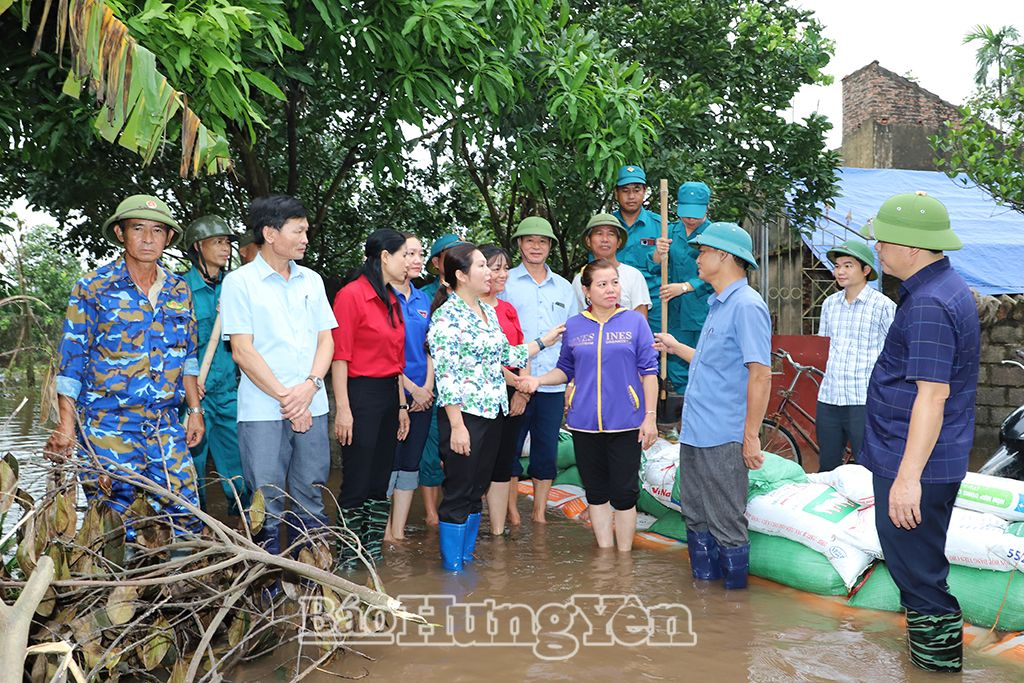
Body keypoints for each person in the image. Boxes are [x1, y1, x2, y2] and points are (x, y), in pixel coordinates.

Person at [858, 192, 979, 673]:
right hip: (924, 456)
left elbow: (932, 396)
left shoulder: (929, 302)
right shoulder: (944, 287)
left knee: (919, 578)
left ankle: (937, 669)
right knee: (920, 570)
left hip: (915, 463)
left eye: (884, 241)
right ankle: (931, 664)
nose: (878, 250)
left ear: (911, 246)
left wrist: (907, 478)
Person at [45, 194, 204, 540]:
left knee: (187, 515)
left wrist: (194, 410)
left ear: (168, 238)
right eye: (138, 229)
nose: (148, 239)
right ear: (120, 233)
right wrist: (66, 426)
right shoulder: (93, 288)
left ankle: (183, 587)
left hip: (165, 426)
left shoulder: (179, 290)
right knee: (115, 525)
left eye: (158, 230)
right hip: (108, 428)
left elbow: (188, 355)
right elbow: (72, 359)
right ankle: (119, 591)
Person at [428, 243, 563, 571]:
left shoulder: (486, 312)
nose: (490, 273)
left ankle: (465, 560)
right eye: (481, 267)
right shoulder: (447, 316)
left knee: (476, 489)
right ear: (461, 275)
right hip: (465, 417)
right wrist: (457, 425)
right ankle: (452, 572)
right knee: (459, 490)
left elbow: (509, 356)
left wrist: (545, 340)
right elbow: (445, 377)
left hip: (493, 413)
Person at [654, 222, 771, 589]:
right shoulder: (718, 304)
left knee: (725, 520)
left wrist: (750, 435)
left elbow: (761, 374)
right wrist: (674, 346)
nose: (698, 259)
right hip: (696, 432)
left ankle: (734, 606)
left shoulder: (747, 306)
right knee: (696, 515)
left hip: (723, 434)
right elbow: (711, 362)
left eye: (703, 252)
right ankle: (707, 601)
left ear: (724, 256)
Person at [220, 195, 337, 556]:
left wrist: (310, 387)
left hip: (312, 405)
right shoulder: (240, 282)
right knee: (265, 499)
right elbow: (243, 351)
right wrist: (289, 398)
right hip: (263, 411)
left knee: (311, 494)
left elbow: (326, 339)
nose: (305, 238)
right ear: (270, 233)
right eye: (298, 231)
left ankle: (313, 581)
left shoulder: (312, 281)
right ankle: (267, 587)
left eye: (306, 231)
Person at [518, 259, 659, 551]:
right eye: (602, 284)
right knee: (595, 493)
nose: (611, 290)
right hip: (584, 425)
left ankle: (624, 558)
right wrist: (539, 381)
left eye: (615, 283)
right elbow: (564, 370)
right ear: (586, 291)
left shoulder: (635, 322)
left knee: (624, 493)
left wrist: (650, 417)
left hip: (627, 422)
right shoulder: (575, 326)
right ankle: (606, 556)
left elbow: (649, 373)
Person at [331, 228, 411, 561]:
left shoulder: (392, 298)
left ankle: (372, 554)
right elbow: (340, 356)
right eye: (404, 255)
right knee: (358, 479)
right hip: (359, 394)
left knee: (380, 480)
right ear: (384, 257)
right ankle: (349, 558)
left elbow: (396, 360)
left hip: (389, 395)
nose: (409, 262)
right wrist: (343, 409)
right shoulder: (351, 295)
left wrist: (402, 406)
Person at [499, 216, 579, 524]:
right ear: (519, 244)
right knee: (510, 449)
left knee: (545, 451)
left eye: (542, 241)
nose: (536, 246)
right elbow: (501, 334)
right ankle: (510, 514)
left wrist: (571, 382)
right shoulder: (506, 284)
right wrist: (518, 385)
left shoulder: (563, 287)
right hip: (513, 381)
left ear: (550, 247)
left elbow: (572, 336)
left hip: (552, 383)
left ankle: (538, 515)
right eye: (530, 240)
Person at [181, 215, 251, 515]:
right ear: (198, 246)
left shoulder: (236, 286)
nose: (225, 249)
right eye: (218, 242)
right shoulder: (180, 289)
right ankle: (194, 527)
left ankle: (245, 526)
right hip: (192, 394)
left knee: (238, 462)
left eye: (227, 243)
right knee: (191, 465)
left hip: (227, 392)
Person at [815, 239, 895, 472]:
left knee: (866, 466)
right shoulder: (830, 304)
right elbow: (826, 346)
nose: (840, 271)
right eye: (838, 265)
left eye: (848, 265)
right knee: (827, 465)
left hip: (863, 398)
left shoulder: (883, 306)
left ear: (866, 270)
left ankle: (870, 508)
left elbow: (894, 353)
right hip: (829, 396)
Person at [386, 233, 433, 541]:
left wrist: (426, 388)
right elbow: (383, 353)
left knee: (410, 464)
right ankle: (382, 530)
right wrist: (410, 390)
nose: (416, 260)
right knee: (388, 462)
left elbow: (430, 348)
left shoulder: (423, 299)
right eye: (409, 253)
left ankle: (397, 533)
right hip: (390, 391)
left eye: (419, 254)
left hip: (423, 394)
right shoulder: (380, 298)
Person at [418, 233, 466, 525]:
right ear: (436, 263)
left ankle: (461, 510)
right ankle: (431, 516)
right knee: (429, 450)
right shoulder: (422, 295)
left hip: (468, 387)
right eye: (449, 254)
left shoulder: (473, 294)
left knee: (462, 449)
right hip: (432, 384)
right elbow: (420, 344)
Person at [479, 244, 527, 535]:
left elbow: (521, 351)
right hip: (478, 397)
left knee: (502, 464)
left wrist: (523, 391)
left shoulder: (508, 309)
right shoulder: (466, 309)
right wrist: (516, 382)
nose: (502, 274)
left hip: (511, 397)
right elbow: (480, 360)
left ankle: (496, 533)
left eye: (505, 268)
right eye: (495, 268)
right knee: (476, 464)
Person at [653, 182, 715, 396]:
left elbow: (720, 273)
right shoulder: (669, 230)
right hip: (673, 311)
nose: (690, 219)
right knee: (675, 362)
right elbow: (652, 266)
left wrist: (686, 286)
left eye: (695, 214)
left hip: (702, 310)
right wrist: (657, 253)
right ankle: (680, 417)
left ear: (707, 208)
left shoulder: (715, 234)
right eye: (686, 213)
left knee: (703, 361)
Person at [612, 165, 663, 333]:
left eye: (636, 190)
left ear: (644, 191)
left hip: (652, 303)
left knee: (653, 350)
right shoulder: (606, 227)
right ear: (616, 193)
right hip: (613, 301)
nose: (631, 196)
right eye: (625, 191)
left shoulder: (660, 226)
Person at [571, 213, 651, 316]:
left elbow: (641, 322)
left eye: (611, 234)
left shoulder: (633, 276)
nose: (605, 239)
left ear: (619, 242)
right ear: (588, 241)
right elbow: (576, 319)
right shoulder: (579, 279)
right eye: (599, 233)